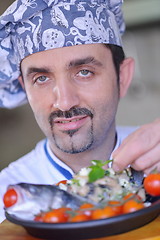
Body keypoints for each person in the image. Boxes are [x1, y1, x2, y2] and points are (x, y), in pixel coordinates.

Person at [0, 0, 160, 223]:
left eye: (84, 72)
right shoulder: (6, 198)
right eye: (42, 78)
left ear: (122, 77)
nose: (64, 102)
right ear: (26, 89)